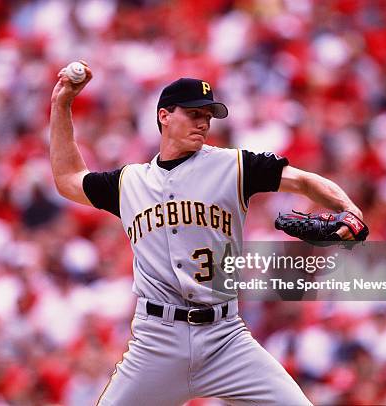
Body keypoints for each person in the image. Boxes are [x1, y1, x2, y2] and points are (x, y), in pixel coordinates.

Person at [49, 61, 363, 405]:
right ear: (164, 116)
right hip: (156, 341)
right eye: (194, 113)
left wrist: (349, 209)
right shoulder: (129, 182)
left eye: (209, 116)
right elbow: (68, 180)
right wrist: (62, 105)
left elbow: (302, 180)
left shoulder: (233, 166)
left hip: (225, 338)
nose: (204, 122)